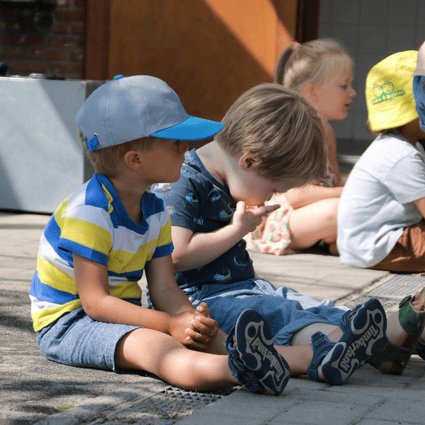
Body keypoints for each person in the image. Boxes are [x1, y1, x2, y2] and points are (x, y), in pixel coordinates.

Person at [29, 75, 293, 396]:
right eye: (175, 143)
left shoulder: (154, 209)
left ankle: (304, 359)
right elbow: (95, 303)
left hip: (119, 312)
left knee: (208, 336)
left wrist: (187, 317)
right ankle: (240, 369)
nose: (187, 148)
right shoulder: (90, 211)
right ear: (135, 160)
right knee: (157, 347)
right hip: (70, 322)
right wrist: (169, 324)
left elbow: (165, 286)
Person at [151, 82, 406, 385]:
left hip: (249, 287)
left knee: (309, 306)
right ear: (248, 161)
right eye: (273, 188)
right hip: (201, 300)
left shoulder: (233, 175)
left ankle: (392, 335)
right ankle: (337, 349)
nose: (270, 198)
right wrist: (237, 230)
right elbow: (177, 255)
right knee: (280, 315)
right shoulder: (181, 181)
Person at [245, 39, 355, 256]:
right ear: (312, 92)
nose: (352, 92)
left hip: (308, 216)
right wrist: (353, 192)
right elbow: (296, 195)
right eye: (344, 85)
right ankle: (338, 240)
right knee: (339, 210)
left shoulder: (327, 133)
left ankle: (337, 241)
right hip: (279, 219)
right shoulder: (297, 132)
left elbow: (336, 181)